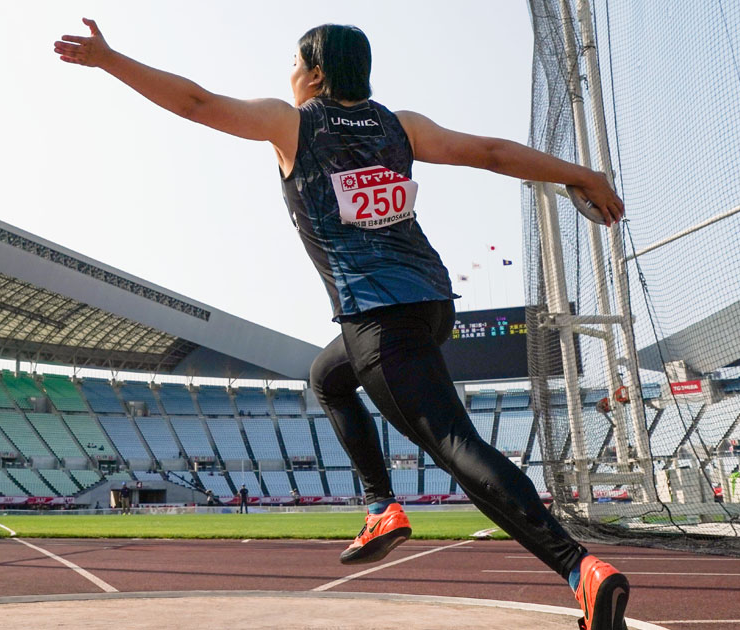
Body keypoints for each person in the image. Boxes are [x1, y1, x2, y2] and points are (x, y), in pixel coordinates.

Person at [53, 21, 630, 630]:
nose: (288, 74)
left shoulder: (293, 124)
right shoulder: (398, 124)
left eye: (292, 63)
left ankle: (580, 570)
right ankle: (381, 506)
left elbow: (196, 103)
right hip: (430, 305)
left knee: (457, 446)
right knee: (326, 376)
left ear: (316, 72)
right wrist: (579, 173)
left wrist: (110, 60)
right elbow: (489, 153)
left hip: (378, 319)